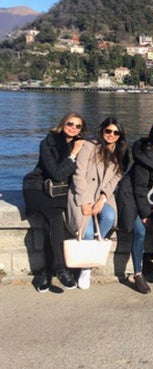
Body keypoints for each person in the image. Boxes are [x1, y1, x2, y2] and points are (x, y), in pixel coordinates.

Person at [23, 113, 87, 292]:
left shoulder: (82, 144)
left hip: (58, 191)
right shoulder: (47, 143)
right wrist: (73, 154)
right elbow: (57, 173)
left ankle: (46, 272)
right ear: (62, 124)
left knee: (47, 226)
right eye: (70, 124)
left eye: (78, 126)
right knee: (55, 218)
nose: (73, 128)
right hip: (38, 187)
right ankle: (61, 268)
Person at [67, 117, 130, 290]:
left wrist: (102, 198)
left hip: (102, 195)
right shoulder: (89, 147)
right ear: (102, 131)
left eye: (116, 132)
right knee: (87, 231)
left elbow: (116, 177)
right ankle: (86, 268)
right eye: (108, 131)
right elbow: (78, 175)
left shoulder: (120, 152)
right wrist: (85, 202)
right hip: (82, 193)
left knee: (109, 216)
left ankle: (88, 263)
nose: (111, 135)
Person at [117, 120, 153, 294]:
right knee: (140, 231)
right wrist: (145, 213)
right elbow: (139, 189)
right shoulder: (146, 155)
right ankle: (137, 274)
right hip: (131, 198)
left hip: (152, 198)